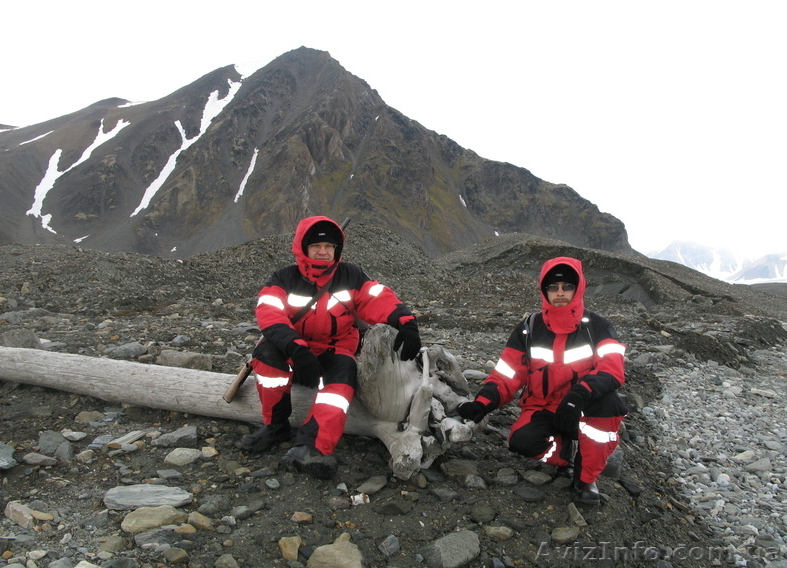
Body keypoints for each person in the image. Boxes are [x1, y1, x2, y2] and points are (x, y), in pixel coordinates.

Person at [238, 216, 422, 479]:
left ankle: (312, 446)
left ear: (337, 249)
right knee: (266, 356)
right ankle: (275, 425)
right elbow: (269, 314)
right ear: (302, 248)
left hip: (334, 349)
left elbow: (377, 297)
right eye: (316, 246)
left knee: (342, 377)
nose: (323, 251)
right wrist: (297, 351)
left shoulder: (351, 275)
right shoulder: (282, 278)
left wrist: (406, 321)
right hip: (294, 347)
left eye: (329, 246)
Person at [458, 256, 627, 504]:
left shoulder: (598, 327)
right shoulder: (529, 328)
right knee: (521, 442)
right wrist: (482, 403)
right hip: (543, 406)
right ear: (544, 290)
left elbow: (612, 369)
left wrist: (579, 394)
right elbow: (508, 374)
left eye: (567, 286)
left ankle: (586, 478)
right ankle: (565, 455)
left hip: (583, 405)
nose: (560, 292)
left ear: (579, 288)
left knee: (609, 404)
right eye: (553, 287)